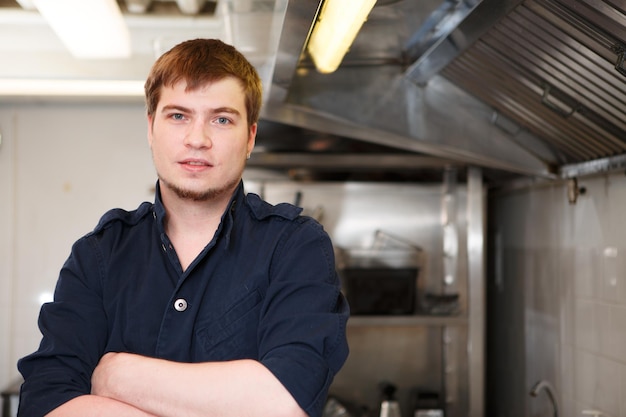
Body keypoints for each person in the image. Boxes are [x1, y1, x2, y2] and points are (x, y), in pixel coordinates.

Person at [17, 38, 350, 417]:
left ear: (250, 138)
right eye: (178, 116)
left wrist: (118, 377)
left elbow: (285, 402)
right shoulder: (98, 256)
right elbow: (44, 404)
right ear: (150, 127)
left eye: (221, 119)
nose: (198, 139)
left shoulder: (295, 246)